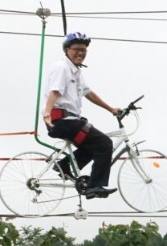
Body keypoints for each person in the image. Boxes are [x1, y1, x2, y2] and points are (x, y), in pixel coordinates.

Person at [42, 32, 120, 199]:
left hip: (70, 120)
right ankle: (95, 186)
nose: (80, 53)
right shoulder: (62, 67)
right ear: (67, 50)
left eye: (84, 50)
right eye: (76, 49)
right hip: (62, 120)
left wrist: (110, 108)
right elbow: (54, 91)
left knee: (93, 146)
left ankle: (64, 166)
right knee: (105, 143)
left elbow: (88, 93)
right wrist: (47, 113)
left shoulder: (76, 72)